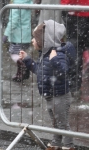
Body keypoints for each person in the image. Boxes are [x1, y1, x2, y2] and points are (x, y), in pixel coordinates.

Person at [19, 20, 75, 150]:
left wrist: (54, 60)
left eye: (35, 38)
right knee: (56, 122)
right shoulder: (45, 55)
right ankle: (56, 143)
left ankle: (69, 145)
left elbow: (63, 73)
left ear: (46, 40)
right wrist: (27, 60)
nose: (33, 41)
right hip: (50, 95)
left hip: (60, 96)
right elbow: (39, 70)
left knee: (63, 123)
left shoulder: (58, 55)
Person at [61, 0, 89, 101]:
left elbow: (66, 2)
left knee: (75, 52)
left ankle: (74, 87)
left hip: (76, 16)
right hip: (80, 14)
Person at [3, 0, 32, 82]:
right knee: (21, 54)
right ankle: (21, 72)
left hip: (18, 35)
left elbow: (13, 21)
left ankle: (24, 68)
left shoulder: (16, 4)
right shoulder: (26, 2)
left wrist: (6, 34)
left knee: (14, 53)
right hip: (25, 35)